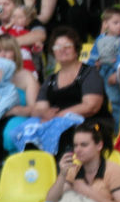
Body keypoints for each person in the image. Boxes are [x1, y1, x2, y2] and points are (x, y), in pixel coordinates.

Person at [13, 27, 111, 157]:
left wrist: (61, 114)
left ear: (76, 49)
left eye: (67, 46)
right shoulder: (50, 80)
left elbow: (91, 106)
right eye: (57, 47)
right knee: (24, 131)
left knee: (61, 131)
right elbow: (37, 109)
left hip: (89, 124)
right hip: (57, 124)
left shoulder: (89, 73)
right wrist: (44, 113)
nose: (62, 50)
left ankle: (63, 169)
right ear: (53, 53)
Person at [88, 7, 120, 124]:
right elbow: (94, 54)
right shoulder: (100, 39)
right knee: (96, 97)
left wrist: (116, 72)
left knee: (116, 100)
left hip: (112, 71)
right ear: (106, 24)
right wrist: (91, 66)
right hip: (100, 69)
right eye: (116, 23)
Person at [0, 4, 42, 74]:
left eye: (20, 17)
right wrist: (7, 26)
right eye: (13, 16)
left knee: (28, 73)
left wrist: (36, 47)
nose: (16, 19)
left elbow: (34, 50)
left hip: (25, 58)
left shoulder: (29, 33)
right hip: (9, 58)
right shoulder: (7, 30)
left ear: (28, 20)